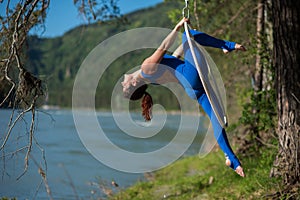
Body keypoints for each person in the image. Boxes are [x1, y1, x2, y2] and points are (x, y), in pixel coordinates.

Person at [121, 18, 246, 177]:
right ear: (133, 83)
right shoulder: (146, 67)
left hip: (192, 89)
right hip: (191, 75)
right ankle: (227, 45)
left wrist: (189, 41)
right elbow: (164, 47)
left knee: (216, 119)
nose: (122, 83)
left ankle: (231, 159)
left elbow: (174, 58)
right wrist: (179, 27)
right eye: (124, 85)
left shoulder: (150, 78)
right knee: (191, 35)